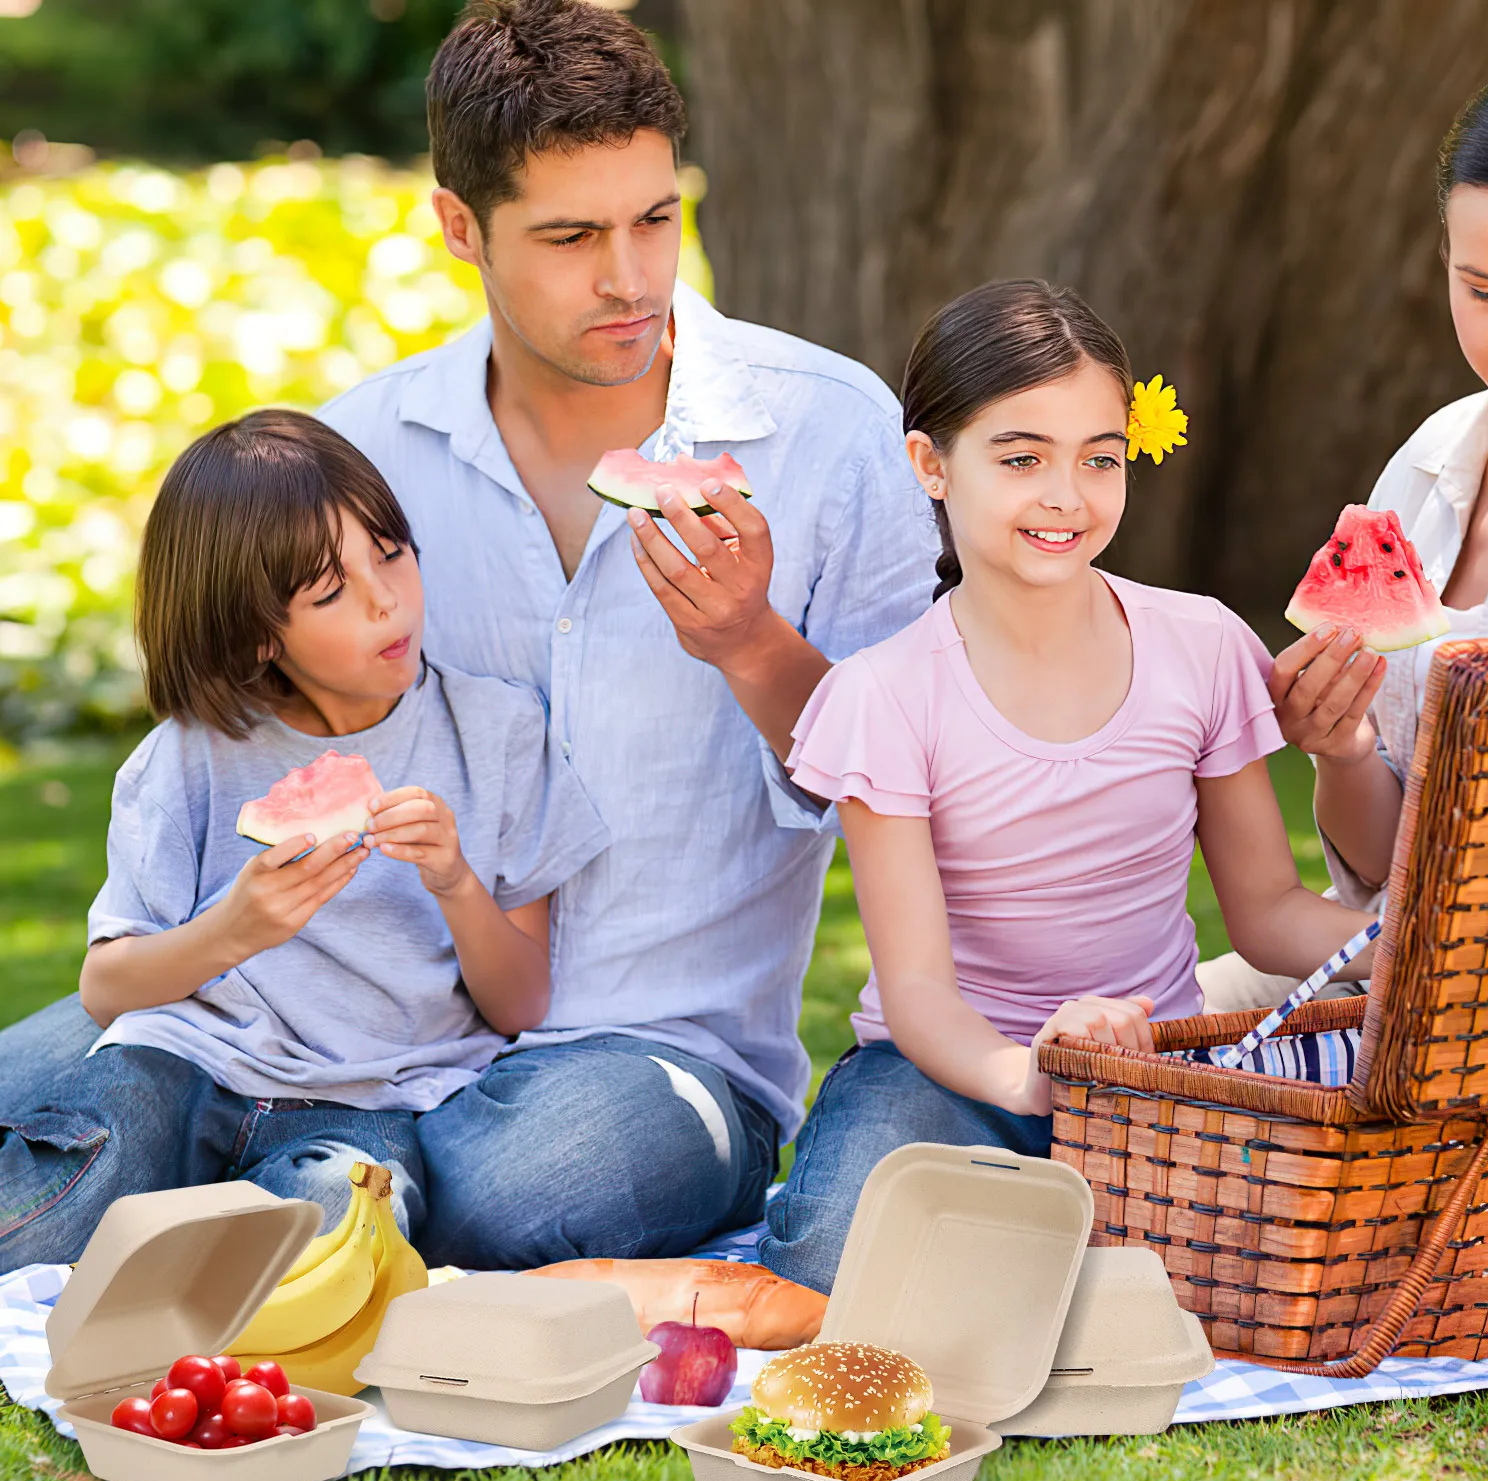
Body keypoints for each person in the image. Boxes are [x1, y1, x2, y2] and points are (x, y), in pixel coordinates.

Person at [0, 0, 934, 1268]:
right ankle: (278, 1180)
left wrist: (752, 645)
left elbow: (917, 782)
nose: (632, 278)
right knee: (32, 1083)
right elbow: (247, 721)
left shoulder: (831, 430)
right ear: (458, 227)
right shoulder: (362, 454)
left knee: (507, 1191)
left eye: (657, 217)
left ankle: (258, 1196)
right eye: (570, 235)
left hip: (657, 1048)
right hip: (314, 1022)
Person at [759, 280, 1377, 1293]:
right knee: (832, 1257)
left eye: (1099, 457)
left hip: (1158, 1065)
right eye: (1020, 459)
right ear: (930, 464)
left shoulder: (1201, 645)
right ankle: (1039, 1225)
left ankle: (1043, 1236)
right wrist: (1029, 1076)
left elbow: (1264, 912)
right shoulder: (885, 695)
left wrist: (1401, 956)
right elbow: (916, 993)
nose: (1067, 495)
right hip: (953, 1072)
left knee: (1279, 1254)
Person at [0, 412, 607, 1270]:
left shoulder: (498, 734)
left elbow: (521, 1004)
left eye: (390, 552)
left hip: (364, 1107)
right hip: (180, 1069)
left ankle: (185, 1263)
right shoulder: (188, 758)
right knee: (42, 1214)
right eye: (330, 593)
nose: (384, 598)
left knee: (336, 1233)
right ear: (257, 632)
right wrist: (235, 930)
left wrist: (457, 883)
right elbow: (106, 990)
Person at [1201, 60, 1488, 1011]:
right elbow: (1389, 871)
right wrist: (1340, 750)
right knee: (1103, 1035)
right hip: (1402, 967)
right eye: (1486, 288)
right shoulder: (1429, 461)